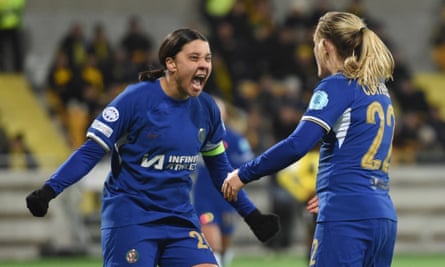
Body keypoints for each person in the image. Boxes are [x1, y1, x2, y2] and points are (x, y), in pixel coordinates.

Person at [25, 28, 279, 267]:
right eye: (194, 57)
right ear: (171, 63)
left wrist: (252, 215)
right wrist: (49, 190)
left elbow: (221, 172)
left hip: (180, 219)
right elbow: (90, 152)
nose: (204, 65)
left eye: (208, 58)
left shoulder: (207, 109)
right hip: (131, 218)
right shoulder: (135, 100)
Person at [222, 11, 397, 267]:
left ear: (325, 46)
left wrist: (242, 175)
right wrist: (331, 189)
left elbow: (297, 145)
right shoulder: (380, 90)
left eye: (314, 44)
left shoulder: (336, 86)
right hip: (382, 214)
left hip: (346, 215)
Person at [193, 96, 254, 267]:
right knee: (213, 244)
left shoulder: (236, 140)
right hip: (204, 198)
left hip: (227, 198)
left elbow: (248, 165)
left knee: (225, 243)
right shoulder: (194, 137)